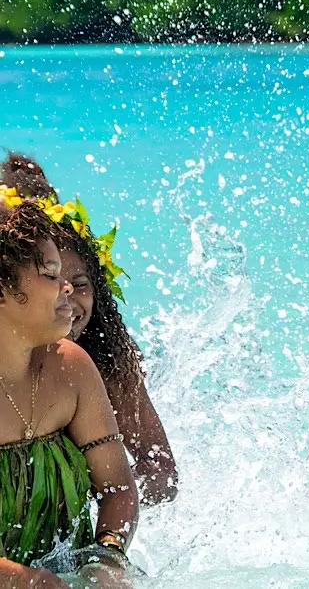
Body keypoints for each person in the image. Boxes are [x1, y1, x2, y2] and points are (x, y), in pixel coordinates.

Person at [1, 154, 177, 504]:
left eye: (79, 283)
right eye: (51, 278)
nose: (65, 295)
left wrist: (112, 524)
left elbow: (159, 469)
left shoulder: (105, 359)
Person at [0, 193, 138, 588]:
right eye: (48, 274)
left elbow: (117, 487)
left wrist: (108, 556)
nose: (66, 288)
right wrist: (27, 581)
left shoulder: (72, 367)